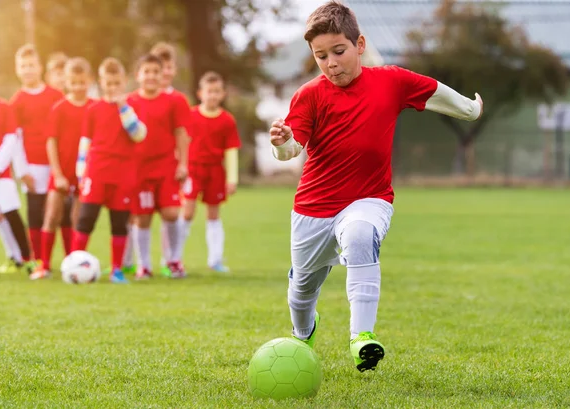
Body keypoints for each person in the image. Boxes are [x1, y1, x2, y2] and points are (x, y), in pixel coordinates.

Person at [269, 1, 484, 372]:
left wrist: (470, 110)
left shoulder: (391, 81)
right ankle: (304, 333)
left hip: (370, 198)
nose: (331, 63)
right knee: (302, 289)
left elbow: (436, 93)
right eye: (320, 56)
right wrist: (281, 142)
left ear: (360, 44)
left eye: (339, 51)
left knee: (360, 234)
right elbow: (291, 150)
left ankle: (361, 338)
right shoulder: (309, 95)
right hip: (313, 208)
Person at [72, 57, 146, 284]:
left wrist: (123, 107)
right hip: (97, 171)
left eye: (116, 83)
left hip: (123, 173)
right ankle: (74, 264)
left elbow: (139, 134)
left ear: (124, 82)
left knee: (119, 221)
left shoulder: (130, 108)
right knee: (86, 218)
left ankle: (116, 270)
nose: (112, 88)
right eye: (108, 83)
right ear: (101, 82)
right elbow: (85, 141)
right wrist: (81, 173)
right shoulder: (93, 109)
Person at [121, 42, 193, 277]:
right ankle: (144, 265)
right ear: (138, 75)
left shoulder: (174, 101)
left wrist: (183, 163)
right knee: (142, 218)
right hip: (139, 168)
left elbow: (181, 134)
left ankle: (173, 260)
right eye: (147, 72)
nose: (151, 76)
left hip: (166, 166)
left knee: (171, 213)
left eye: (156, 72)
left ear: (163, 75)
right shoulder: (128, 103)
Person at [32, 57, 93, 279]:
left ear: (89, 81)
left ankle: (75, 263)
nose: (78, 87)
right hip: (61, 172)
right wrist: (57, 174)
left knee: (78, 219)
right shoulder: (59, 109)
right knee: (52, 215)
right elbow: (51, 141)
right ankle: (44, 266)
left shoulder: (93, 107)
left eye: (82, 82)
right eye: (73, 82)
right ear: (66, 82)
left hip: (84, 174)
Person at [178, 71, 241, 273]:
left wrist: (232, 179)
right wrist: (178, 166)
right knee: (187, 212)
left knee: (213, 214)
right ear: (200, 93)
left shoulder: (227, 120)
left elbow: (231, 151)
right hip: (192, 170)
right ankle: (173, 258)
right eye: (209, 91)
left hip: (215, 171)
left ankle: (215, 260)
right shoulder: (190, 115)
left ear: (222, 94)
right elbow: (181, 142)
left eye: (216, 92)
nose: (212, 95)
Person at [0, 58, 36, 277]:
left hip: (0, 173)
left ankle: (28, 259)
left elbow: (11, 138)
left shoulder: (4, 108)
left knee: (12, 213)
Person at [10, 44, 64, 261]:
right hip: (32, 166)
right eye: (23, 66)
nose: (28, 70)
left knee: (60, 212)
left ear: (40, 67)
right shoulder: (17, 101)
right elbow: (14, 138)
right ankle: (39, 260)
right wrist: (22, 171)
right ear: (17, 70)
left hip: (56, 165)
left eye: (31, 65)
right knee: (35, 212)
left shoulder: (55, 95)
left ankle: (68, 256)